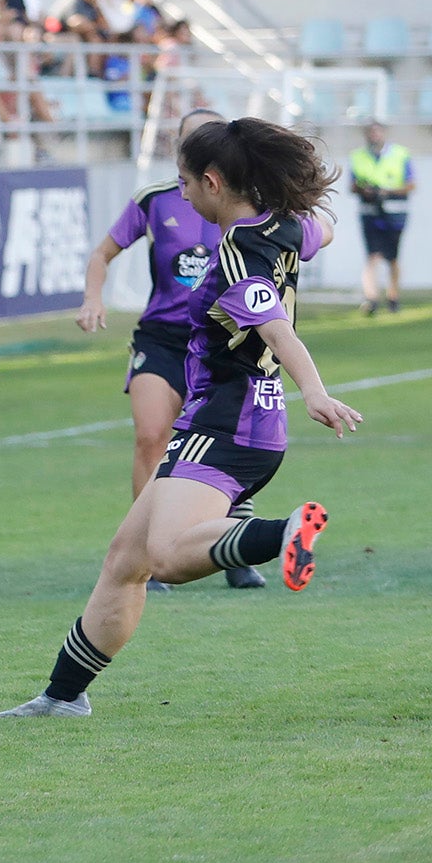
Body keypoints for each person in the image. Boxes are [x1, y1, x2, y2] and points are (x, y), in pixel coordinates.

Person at [0, 117, 363, 718]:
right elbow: (321, 228)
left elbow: (272, 322)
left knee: (165, 555)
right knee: (127, 560)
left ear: (214, 183)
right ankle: (62, 698)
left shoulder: (238, 249)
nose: (183, 193)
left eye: (188, 181)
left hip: (225, 421)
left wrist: (315, 390)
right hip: (249, 421)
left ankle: (283, 531)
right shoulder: (286, 226)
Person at [78, 108, 266, 591]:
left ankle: (234, 548)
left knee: (224, 447)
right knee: (151, 435)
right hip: (162, 339)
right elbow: (102, 253)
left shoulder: (251, 204)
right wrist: (93, 298)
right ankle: (143, 557)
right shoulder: (156, 199)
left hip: (222, 344)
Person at [350, 121, 413, 315]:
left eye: (377, 132)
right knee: (373, 256)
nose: (374, 136)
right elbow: (352, 185)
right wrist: (366, 190)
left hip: (395, 212)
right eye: (371, 132)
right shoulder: (358, 156)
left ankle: (393, 297)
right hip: (370, 213)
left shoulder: (401, 154)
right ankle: (372, 299)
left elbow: (411, 184)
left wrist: (387, 191)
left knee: (392, 257)